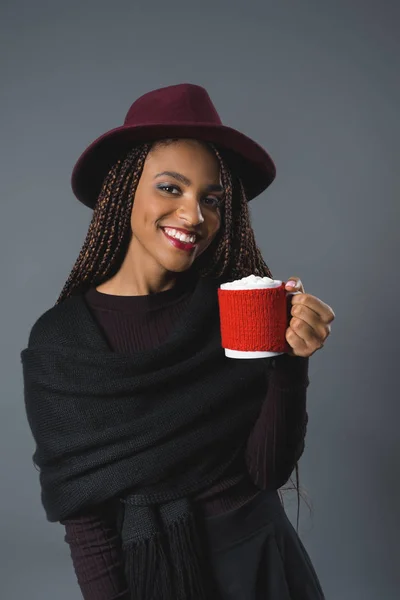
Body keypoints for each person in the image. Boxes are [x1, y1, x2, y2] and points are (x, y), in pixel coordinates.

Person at [21, 83, 335, 600]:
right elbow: (86, 522)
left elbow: (266, 472)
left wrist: (290, 363)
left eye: (211, 199)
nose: (194, 216)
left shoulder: (235, 310)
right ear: (123, 191)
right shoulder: (59, 343)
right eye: (171, 188)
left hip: (260, 561)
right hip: (150, 571)